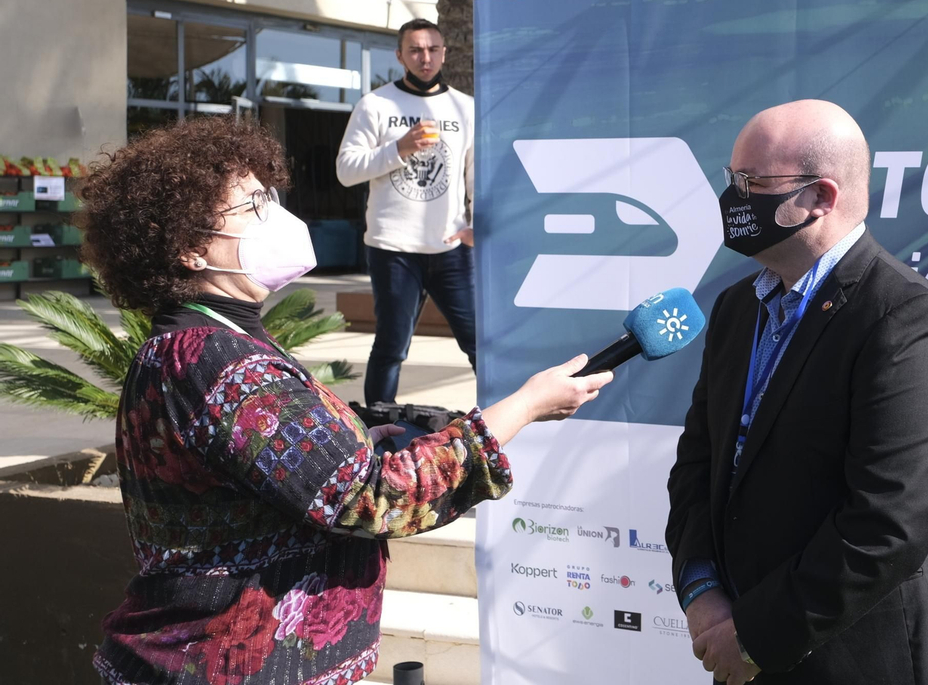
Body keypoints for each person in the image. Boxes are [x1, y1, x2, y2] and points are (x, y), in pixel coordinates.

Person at [82, 117, 611, 685]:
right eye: (252, 205)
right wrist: (525, 407)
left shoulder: (207, 343)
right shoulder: (215, 360)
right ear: (188, 250)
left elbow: (273, 462)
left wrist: (356, 434)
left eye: (269, 196)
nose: (275, 216)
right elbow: (374, 498)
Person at [665, 100, 928, 685]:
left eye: (752, 182)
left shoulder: (907, 320)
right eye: (731, 179)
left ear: (820, 197)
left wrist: (756, 636)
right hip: (741, 652)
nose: (733, 198)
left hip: (861, 662)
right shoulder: (738, 309)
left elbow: (890, 520)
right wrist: (702, 590)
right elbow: (699, 466)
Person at [335, 18, 476, 406]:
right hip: (392, 247)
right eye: (415, 49)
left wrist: (475, 223)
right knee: (392, 347)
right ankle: (378, 428)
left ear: (444, 53)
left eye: (432, 49)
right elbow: (346, 170)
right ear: (400, 55)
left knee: (479, 343)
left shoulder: (465, 108)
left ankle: (499, 422)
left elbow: (475, 171)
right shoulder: (376, 105)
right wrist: (399, 149)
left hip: (450, 248)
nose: (425, 57)